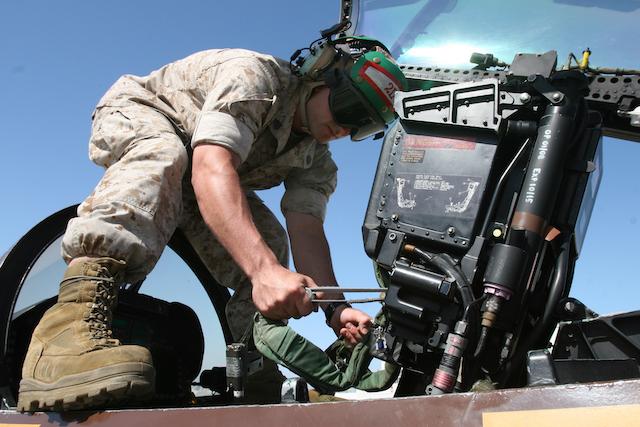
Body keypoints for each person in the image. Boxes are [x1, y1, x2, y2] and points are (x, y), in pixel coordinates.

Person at [17, 36, 407, 411]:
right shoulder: (256, 78)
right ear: (323, 74)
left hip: (195, 173)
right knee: (163, 153)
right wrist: (263, 271)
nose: (346, 128)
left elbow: (306, 229)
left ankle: (255, 368)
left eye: (364, 126)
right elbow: (211, 166)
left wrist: (335, 309)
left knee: (268, 242)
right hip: (145, 114)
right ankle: (66, 334)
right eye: (349, 108)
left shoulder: (316, 160)